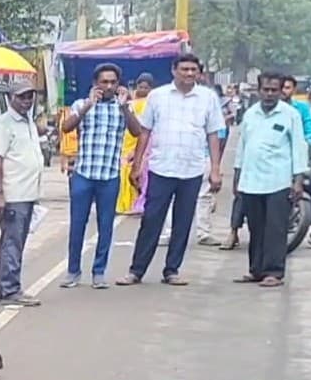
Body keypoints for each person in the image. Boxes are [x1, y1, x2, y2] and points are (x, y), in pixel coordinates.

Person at [122, 53, 225, 286]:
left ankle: (172, 270)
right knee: (151, 220)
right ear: (173, 70)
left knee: (183, 221)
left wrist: (216, 169)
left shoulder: (208, 98)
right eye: (184, 69)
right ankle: (136, 270)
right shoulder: (157, 96)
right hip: (161, 167)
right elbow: (145, 131)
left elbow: (213, 134)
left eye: (193, 70)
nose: (189, 74)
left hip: (192, 168)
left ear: (198, 73)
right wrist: (137, 165)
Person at [58, 63, 141, 288]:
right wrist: (87, 106)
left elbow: (137, 131)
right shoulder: (81, 104)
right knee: (78, 225)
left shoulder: (123, 106)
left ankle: (99, 272)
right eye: (104, 82)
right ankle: (73, 272)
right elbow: (66, 127)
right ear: (96, 84)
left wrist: (125, 107)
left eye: (113, 82)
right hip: (84, 174)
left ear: (119, 84)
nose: (109, 86)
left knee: (106, 226)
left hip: (109, 176)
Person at [230, 72, 310, 287]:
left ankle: (274, 272)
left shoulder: (290, 114)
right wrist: (237, 176)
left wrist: (298, 179)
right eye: (265, 89)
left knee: (275, 228)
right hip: (251, 180)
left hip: (279, 180)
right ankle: (255, 270)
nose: (269, 94)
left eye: (274, 90)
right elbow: (242, 146)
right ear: (259, 90)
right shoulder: (250, 114)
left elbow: (298, 148)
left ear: (280, 91)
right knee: (256, 227)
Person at [0, 77, 45, 306]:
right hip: (14, 195)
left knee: (16, 242)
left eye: (30, 96)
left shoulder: (28, 122)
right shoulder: (3, 124)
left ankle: (9, 287)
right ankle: (9, 289)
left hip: (28, 193)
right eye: (22, 96)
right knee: (11, 242)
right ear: (11, 97)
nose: (27, 101)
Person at [283, 75, 311, 248]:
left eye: (288, 88)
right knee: (244, 189)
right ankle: (233, 231)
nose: (284, 91)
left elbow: (309, 131)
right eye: (282, 87)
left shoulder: (301, 108)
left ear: (293, 90)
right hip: (274, 158)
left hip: (299, 155)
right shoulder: (268, 108)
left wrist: (306, 145)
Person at [118, 72, 154, 215]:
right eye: (141, 86)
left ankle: (140, 202)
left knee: (143, 173)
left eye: (146, 87)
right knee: (124, 170)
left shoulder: (151, 104)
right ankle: (126, 203)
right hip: (128, 140)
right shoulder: (129, 104)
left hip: (145, 142)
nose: (143, 90)